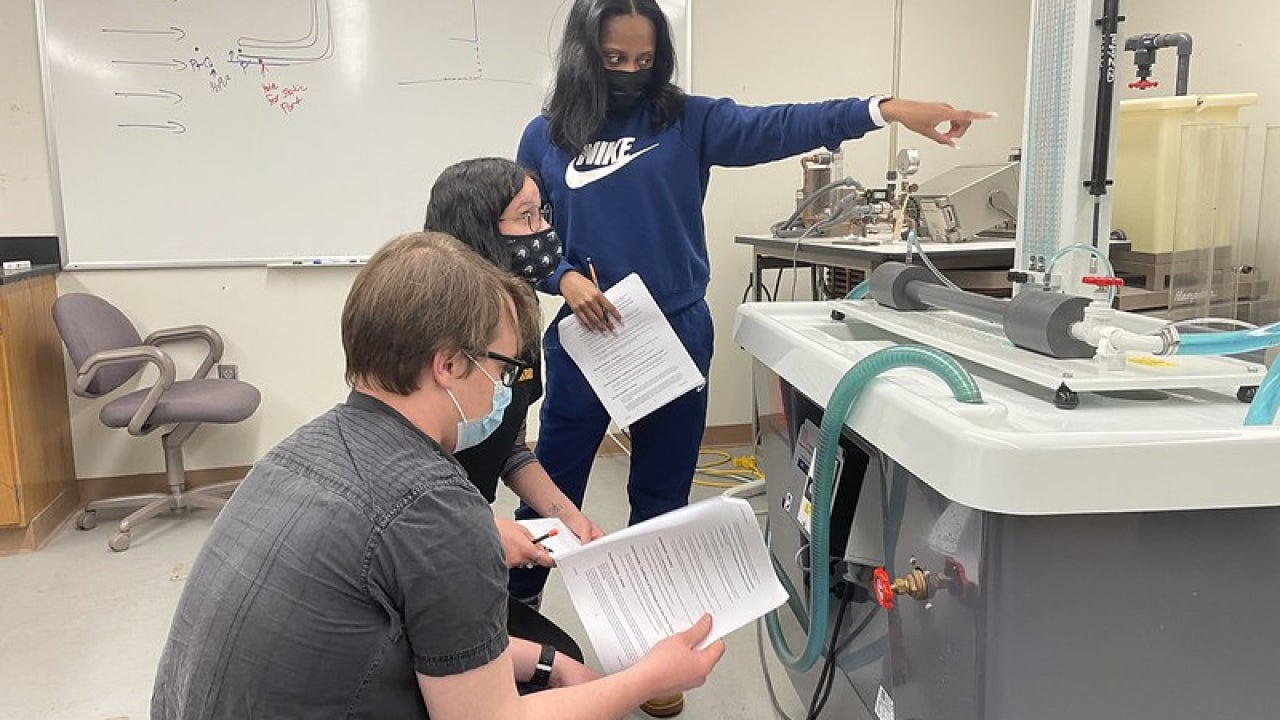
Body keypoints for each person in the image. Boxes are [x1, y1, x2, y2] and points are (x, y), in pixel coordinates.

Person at [510, 0, 992, 612]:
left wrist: (887, 109)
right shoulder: (547, 134)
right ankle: (514, 615)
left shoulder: (686, 121)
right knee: (552, 484)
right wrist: (562, 278)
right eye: (613, 59)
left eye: (644, 58)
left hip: (673, 333)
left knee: (661, 495)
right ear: (585, 54)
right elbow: (521, 234)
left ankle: (654, 626)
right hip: (587, 335)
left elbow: (785, 123)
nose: (630, 70)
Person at [151, 232, 724, 719]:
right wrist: (647, 678)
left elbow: (415, 632)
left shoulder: (302, 447)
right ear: (449, 365)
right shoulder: (437, 507)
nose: (504, 391)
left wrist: (548, 663)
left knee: (552, 653)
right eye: (501, 369)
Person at [423, 156, 605, 666]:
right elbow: (407, 484)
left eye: (544, 214)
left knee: (558, 658)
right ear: (479, 233)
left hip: (467, 538)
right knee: (550, 666)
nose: (546, 231)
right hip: (427, 543)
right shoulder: (429, 334)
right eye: (528, 218)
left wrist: (566, 515)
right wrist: (475, 533)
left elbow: (511, 449)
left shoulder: (519, 321)